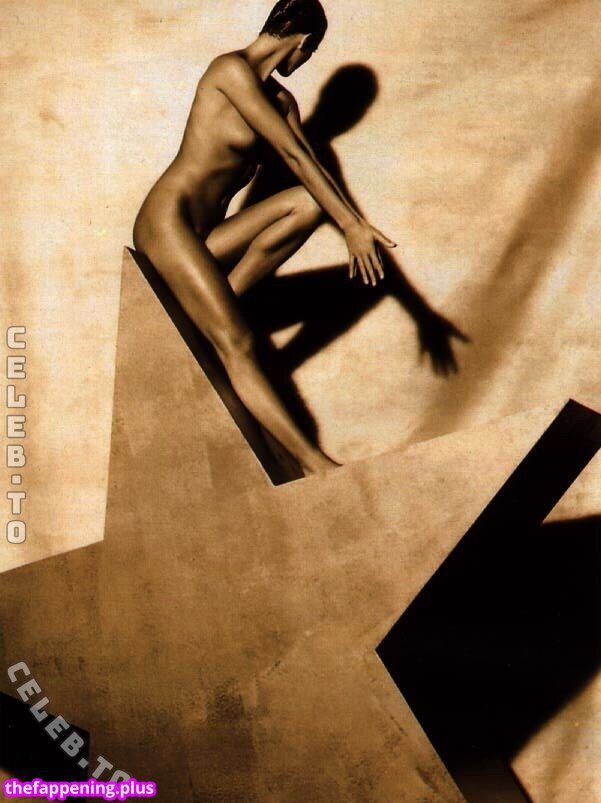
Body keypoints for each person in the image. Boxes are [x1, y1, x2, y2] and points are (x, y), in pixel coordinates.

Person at [133, 0, 396, 477]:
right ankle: (314, 463)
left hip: (210, 238)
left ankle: (218, 307)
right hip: (169, 224)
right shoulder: (229, 71)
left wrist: (355, 226)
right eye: (310, 54)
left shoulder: (283, 102)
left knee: (309, 203)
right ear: (304, 42)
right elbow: (291, 154)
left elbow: (310, 170)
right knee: (239, 342)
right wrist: (350, 225)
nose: (305, 62)